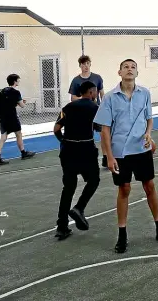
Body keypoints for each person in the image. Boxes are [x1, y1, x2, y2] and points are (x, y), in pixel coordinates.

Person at [94, 59, 158, 253]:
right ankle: (122, 235)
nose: (129, 70)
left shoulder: (145, 93)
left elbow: (149, 119)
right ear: (119, 72)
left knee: (150, 186)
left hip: (141, 150)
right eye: (126, 67)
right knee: (125, 189)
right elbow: (105, 130)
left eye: (133, 67)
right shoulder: (110, 98)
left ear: (137, 73)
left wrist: (148, 133)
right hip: (120, 152)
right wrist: (109, 157)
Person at [53, 81, 101, 240]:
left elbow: (56, 129)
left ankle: (61, 226)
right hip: (86, 150)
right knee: (94, 180)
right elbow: (100, 128)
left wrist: (63, 141)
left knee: (68, 187)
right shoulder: (95, 108)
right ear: (92, 92)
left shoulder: (67, 107)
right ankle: (79, 207)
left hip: (68, 151)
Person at [68, 55, 107, 167]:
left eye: (88, 63)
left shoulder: (97, 78)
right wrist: (83, 98)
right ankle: (85, 158)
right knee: (85, 136)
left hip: (97, 111)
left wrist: (104, 105)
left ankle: (105, 156)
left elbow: (102, 93)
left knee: (103, 133)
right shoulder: (76, 80)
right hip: (83, 113)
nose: (86, 66)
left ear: (90, 64)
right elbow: (73, 98)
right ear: (80, 65)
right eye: (83, 64)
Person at [0, 74, 36, 165]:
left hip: (3, 117)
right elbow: (22, 105)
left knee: (3, 137)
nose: (19, 82)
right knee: (18, 134)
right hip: (12, 117)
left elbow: (7, 103)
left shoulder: (2, 91)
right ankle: (23, 153)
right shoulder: (16, 92)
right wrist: (23, 102)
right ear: (15, 81)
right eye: (18, 80)